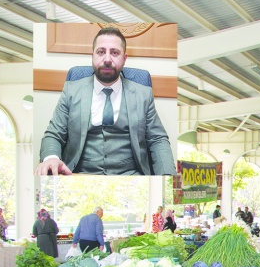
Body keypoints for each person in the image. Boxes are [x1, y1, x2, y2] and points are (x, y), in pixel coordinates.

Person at [36, 27, 174, 176]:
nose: (107, 59)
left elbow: (158, 139)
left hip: (131, 178)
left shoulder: (143, 94)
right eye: (101, 52)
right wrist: (51, 158)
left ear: (124, 58)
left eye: (114, 52)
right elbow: (53, 134)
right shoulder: (72, 90)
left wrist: (169, 180)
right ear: (92, 56)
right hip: (79, 176)